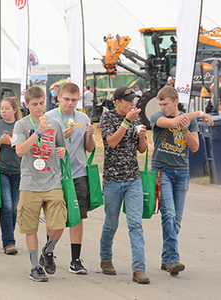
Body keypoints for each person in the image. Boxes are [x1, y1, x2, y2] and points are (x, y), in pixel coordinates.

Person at [150, 86, 213, 276]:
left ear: (176, 102)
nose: (162, 107)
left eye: (166, 104)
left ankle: (166, 258)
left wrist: (186, 130)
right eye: (160, 104)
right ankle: (174, 259)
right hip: (162, 170)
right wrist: (200, 112)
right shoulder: (156, 117)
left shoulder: (188, 121)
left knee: (176, 219)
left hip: (182, 172)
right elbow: (174, 121)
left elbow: (194, 147)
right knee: (168, 214)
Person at [12, 86, 67, 282]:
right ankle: (35, 266)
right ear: (26, 105)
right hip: (30, 182)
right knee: (30, 227)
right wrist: (36, 133)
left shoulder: (54, 123)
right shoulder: (21, 125)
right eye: (34, 104)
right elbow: (19, 151)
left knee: (59, 222)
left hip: (53, 181)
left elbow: (61, 147)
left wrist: (62, 152)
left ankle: (49, 250)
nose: (38, 107)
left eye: (41, 103)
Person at [99, 86, 149, 284]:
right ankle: (105, 258)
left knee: (135, 224)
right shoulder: (108, 118)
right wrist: (127, 121)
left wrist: (143, 137)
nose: (132, 103)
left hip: (133, 178)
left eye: (133, 99)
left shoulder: (136, 118)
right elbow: (111, 142)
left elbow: (142, 150)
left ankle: (139, 268)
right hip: (112, 179)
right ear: (117, 102)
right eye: (128, 100)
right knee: (111, 223)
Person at [45, 82, 96, 275]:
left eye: (74, 100)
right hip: (54, 175)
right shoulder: (49, 118)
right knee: (54, 217)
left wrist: (90, 136)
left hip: (78, 173)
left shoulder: (82, 118)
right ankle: (48, 253)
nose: (70, 103)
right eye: (66, 99)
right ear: (58, 97)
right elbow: (42, 148)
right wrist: (60, 138)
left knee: (77, 216)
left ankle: (75, 260)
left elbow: (89, 148)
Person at [0, 97, 22, 255]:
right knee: (7, 206)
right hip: (1, 170)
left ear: (15, 110)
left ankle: (10, 235)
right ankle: (8, 242)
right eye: (1, 108)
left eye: (7, 108)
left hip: (19, 171)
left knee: (15, 208)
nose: (3, 111)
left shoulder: (21, 125)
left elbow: (28, 144)